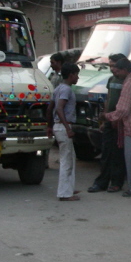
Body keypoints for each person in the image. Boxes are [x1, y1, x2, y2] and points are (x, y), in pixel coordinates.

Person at [87, 53, 127, 193]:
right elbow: (109, 98)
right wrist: (103, 120)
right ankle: (101, 182)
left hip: (121, 122)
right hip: (110, 120)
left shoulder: (127, 80)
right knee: (106, 153)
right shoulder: (111, 79)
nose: (111, 69)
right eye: (110, 66)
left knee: (118, 154)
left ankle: (116, 182)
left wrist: (118, 120)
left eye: (113, 66)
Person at [101, 58, 131, 197]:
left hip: (130, 127)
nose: (116, 74)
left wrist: (107, 117)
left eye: (117, 71)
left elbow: (123, 109)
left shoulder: (128, 83)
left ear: (124, 70)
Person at [50, 62, 81, 201]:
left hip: (59, 126)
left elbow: (50, 108)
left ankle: (69, 188)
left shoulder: (58, 88)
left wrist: (49, 126)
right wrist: (68, 129)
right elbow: (59, 108)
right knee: (66, 161)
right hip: (64, 126)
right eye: (76, 75)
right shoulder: (66, 90)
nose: (78, 78)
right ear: (71, 75)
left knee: (70, 158)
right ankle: (64, 193)